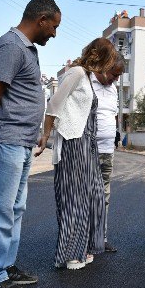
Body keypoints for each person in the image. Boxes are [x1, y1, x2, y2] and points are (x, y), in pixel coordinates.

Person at [0, 0, 61, 288]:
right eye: (54, 26)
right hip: (4, 140)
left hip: (19, 141)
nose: (54, 33)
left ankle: (5, 266)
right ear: (41, 19)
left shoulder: (26, 49)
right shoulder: (11, 46)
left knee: (14, 209)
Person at [36, 38, 118, 270]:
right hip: (74, 142)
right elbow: (53, 105)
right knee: (75, 199)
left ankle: (85, 247)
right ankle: (71, 254)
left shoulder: (87, 77)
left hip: (87, 144)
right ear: (99, 56)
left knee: (92, 197)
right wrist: (46, 136)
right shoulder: (76, 73)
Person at [91, 56, 125, 253]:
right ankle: (85, 240)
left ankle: (100, 239)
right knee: (88, 195)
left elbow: (111, 115)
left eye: (119, 76)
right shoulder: (87, 83)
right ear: (104, 68)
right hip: (89, 149)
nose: (116, 80)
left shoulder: (112, 89)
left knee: (104, 196)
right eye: (114, 74)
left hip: (107, 151)